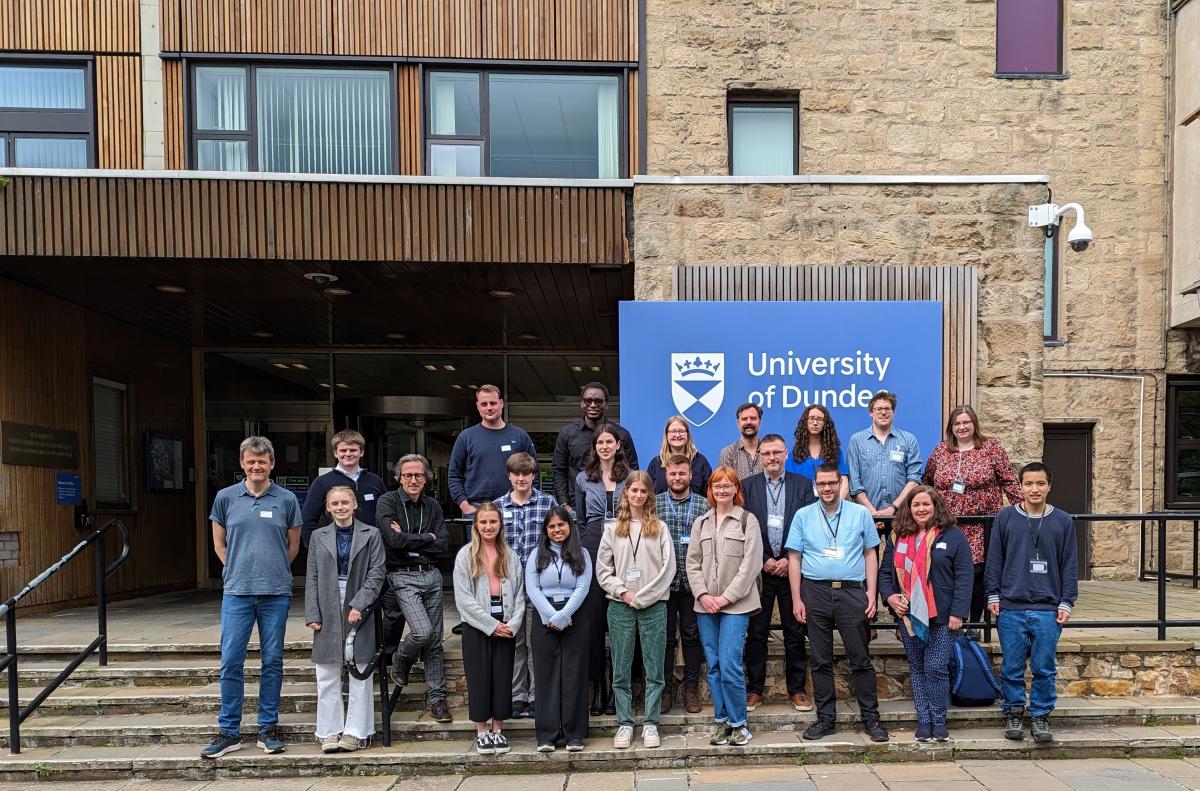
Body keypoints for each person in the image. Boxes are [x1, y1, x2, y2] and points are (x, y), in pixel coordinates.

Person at [202, 436, 302, 759]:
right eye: (251, 461)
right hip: (236, 593)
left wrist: (270, 569)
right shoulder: (225, 498)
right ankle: (228, 731)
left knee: (272, 661)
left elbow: (293, 546)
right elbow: (219, 544)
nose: (256, 466)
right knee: (231, 661)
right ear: (242, 464)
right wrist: (238, 569)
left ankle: (267, 728)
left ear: (272, 464)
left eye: (262, 461)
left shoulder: (286, 500)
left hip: (275, 594)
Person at [786, 463, 889, 744]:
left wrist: (871, 595)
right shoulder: (803, 515)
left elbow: (871, 554)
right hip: (815, 592)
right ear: (815, 486)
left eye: (832, 483)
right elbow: (794, 558)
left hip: (852, 592)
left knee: (860, 659)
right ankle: (826, 719)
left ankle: (871, 719)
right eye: (822, 484)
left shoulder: (859, 514)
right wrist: (797, 598)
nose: (827, 489)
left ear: (841, 483)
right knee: (820, 660)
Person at [986, 462, 1077, 744]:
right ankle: (1013, 711)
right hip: (1011, 606)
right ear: (1020, 487)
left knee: (1044, 667)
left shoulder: (1062, 521)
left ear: (1049, 486)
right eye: (1028, 484)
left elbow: (1069, 564)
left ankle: (1040, 716)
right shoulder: (1005, 518)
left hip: (1048, 608)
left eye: (1040, 483)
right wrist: (993, 594)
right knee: (1012, 666)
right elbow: (995, 559)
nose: (1034, 489)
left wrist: (1067, 602)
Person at [877, 486, 972, 742]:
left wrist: (959, 612)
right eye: (916, 505)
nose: (921, 509)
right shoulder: (898, 537)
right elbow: (885, 574)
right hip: (908, 616)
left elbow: (964, 577)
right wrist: (890, 597)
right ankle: (924, 721)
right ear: (909, 508)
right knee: (917, 668)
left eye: (926, 504)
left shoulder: (953, 536)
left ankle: (939, 720)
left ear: (935, 506)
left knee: (935, 667)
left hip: (943, 616)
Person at [923, 405, 1023, 625]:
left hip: (982, 524)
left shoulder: (991, 447)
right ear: (951, 427)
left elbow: (1008, 479)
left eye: (966, 422)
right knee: (950, 570)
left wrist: (1023, 509)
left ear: (974, 424)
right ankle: (952, 618)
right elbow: (928, 480)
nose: (962, 427)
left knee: (978, 572)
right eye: (957, 423)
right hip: (948, 524)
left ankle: (975, 623)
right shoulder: (941, 450)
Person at [596, 470, 675, 750]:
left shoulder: (660, 528)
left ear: (649, 495)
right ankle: (625, 723)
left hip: (653, 606)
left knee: (654, 668)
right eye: (634, 490)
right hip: (620, 606)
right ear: (625, 493)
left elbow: (669, 570)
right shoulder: (612, 529)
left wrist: (644, 597)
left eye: (643, 491)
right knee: (621, 668)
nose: (638, 495)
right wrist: (624, 592)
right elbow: (603, 571)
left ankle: (651, 723)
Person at [304, 485, 386, 752]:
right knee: (326, 671)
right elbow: (312, 577)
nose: (340, 507)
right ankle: (329, 731)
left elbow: (377, 573)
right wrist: (312, 613)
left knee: (359, 670)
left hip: (359, 600)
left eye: (345, 502)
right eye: (335, 503)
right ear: (328, 508)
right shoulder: (318, 536)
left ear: (355, 505)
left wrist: (359, 604)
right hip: (327, 602)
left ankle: (356, 732)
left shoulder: (371, 534)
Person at [685, 465, 763, 748]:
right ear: (710, 490)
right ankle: (722, 723)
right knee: (715, 666)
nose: (722, 490)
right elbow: (692, 562)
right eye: (717, 485)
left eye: (727, 485)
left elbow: (751, 564)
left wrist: (725, 598)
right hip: (705, 605)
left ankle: (739, 724)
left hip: (736, 605)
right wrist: (704, 595)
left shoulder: (747, 520)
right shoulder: (701, 523)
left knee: (730, 664)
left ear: (735, 490)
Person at [374, 454, 452, 724]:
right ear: (399, 477)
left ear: (427, 478)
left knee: (435, 642)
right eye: (407, 475)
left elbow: (442, 543)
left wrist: (415, 540)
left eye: (419, 475)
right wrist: (425, 538)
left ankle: (437, 698)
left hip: (431, 576)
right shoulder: (388, 502)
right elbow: (393, 540)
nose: (413, 480)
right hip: (402, 576)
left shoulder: (433, 506)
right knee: (422, 632)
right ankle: (401, 659)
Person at [743, 433, 817, 713]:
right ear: (760, 456)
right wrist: (762, 559)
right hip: (760, 571)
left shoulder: (803, 486)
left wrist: (788, 558)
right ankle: (754, 690)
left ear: (786, 454)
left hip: (792, 570)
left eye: (777, 452)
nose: (772, 458)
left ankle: (797, 690)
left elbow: (811, 525)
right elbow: (743, 529)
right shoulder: (747, 487)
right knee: (757, 632)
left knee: (794, 632)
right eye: (767, 453)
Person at [452, 502, 526, 755]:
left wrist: (512, 624)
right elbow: (463, 599)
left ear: (500, 524)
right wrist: (491, 626)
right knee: (480, 678)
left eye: (493, 521)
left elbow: (520, 595)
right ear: (476, 525)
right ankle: (481, 731)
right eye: (483, 522)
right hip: (477, 628)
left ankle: (498, 730)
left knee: (502, 679)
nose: (488, 526)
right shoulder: (466, 555)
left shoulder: (510, 555)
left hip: (506, 627)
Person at [494, 452, 558, 719]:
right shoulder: (497, 507)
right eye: (516, 474)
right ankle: (517, 695)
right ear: (509, 476)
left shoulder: (547, 503)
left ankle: (536, 695)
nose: (521, 478)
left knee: (536, 642)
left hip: (538, 584)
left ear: (533, 475)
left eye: (526, 473)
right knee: (514, 641)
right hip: (508, 585)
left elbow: (557, 539)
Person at [574, 423, 631, 715]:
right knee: (595, 622)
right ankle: (598, 688)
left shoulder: (631, 477)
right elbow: (581, 519)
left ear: (618, 445)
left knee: (620, 620)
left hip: (625, 541)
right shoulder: (584, 478)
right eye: (601, 442)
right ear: (595, 446)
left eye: (610, 441)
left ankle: (619, 689)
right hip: (594, 541)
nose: (605, 446)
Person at [525, 507, 592, 752]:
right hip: (545, 618)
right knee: (546, 676)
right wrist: (551, 616)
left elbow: (583, 587)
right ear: (546, 530)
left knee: (574, 675)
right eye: (551, 527)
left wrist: (565, 615)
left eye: (561, 525)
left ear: (570, 527)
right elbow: (533, 589)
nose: (557, 530)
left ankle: (574, 734)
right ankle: (547, 735)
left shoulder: (582, 553)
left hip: (575, 615)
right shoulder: (536, 555)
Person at [655, 454, 710, 715]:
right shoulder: (653, 506)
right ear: (666, 476)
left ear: (691, 476)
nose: (677, 478)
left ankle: (690, 690)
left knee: (691, 637)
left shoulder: (704, 505)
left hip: (693, 586)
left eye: (682, 474)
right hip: (663, 586)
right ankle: (665, 691)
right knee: (664, 640)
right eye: (673, 474)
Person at [449, 385, 537, 516]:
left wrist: (529, 502)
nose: (489, 407)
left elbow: (534, 472)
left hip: (515, 506)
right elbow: (454, 475)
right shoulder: (466, 437)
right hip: (476, 508)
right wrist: (464, 505)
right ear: (477, 406)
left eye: (493, 403)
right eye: (484, 404)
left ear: (501, 403)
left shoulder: (520, 436)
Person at [553, 382, 639, 511]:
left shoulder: (622, 434)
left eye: (598, 401)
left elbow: (633, 471)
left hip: (618, 508)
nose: (593, 405)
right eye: (588, 401)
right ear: (582, 403)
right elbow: (559, 470)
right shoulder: (567, 433)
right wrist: (564, 504)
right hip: (577, 506)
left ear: (606, 404)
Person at [300, 429, 389, 549]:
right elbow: (308, 520)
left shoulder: (375, 481)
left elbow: (387, 516)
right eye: (343, 450)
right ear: (335, 453)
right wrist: (315, 550)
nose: (348, 454)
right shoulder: (321, 482)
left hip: (372, 548)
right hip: (336, 550)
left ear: (361, 452)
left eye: (353, 450)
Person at [846, 391, 923, 522]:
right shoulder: (857, 440)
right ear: (871, 412)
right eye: (879, 409)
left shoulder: (909, 440)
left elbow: (914, 479)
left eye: (887, 409)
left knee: (900, 544)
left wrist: (893, 508)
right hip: (866, 516)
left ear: (893, 412)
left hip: (900, 515)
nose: (883, 412)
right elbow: (854, 481)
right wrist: (871, 511)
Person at [787, 404, 849, 500]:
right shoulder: (793, 455)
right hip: (803, 507)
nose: (815, 423)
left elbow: (844, 483)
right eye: (811, 418)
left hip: (831, 505)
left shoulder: (835, 452)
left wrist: (836, 507)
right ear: (805, 422)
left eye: (820, 419)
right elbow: (790, 487)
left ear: (825, 423)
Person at [645, 415, 712, 495]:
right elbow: (647, 494)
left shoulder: (700, 462)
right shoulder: (656, 463)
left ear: (687, 434)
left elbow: (710, 493)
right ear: (666, 435)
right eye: (673, 431)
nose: (677, 435)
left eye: (681, 431)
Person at [717, 402, 764, 480]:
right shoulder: (728, 454)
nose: (749, 422)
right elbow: (725, 485)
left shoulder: (769, 452)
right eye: (744, 419)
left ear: (760, 422)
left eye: (753, 418)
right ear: (738, 424)